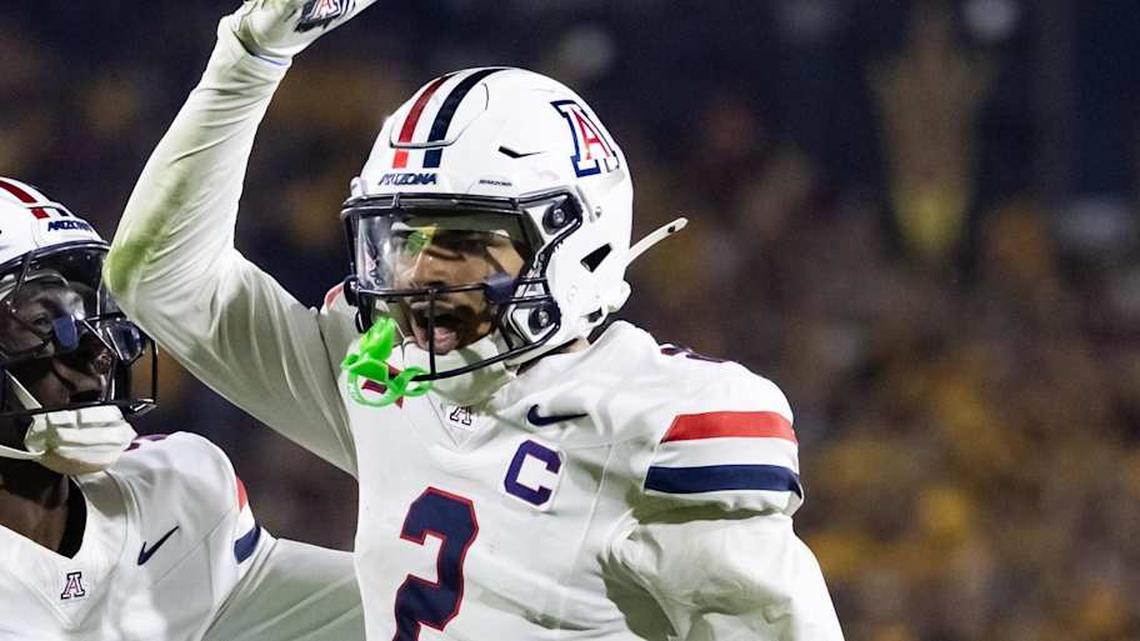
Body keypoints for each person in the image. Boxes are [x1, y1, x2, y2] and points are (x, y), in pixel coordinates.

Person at [106, 1, 845, 638]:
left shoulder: (651, 426)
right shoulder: (388, 377)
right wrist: (251, 57)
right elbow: (160, 280)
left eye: (461, 239)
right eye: (402, 240)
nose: (420, 272)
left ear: (574, 243)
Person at [0, 176, 364, 640]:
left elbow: (401, 610)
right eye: (44, 322)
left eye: (88, 314)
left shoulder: (177, 493)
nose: (97, 351)